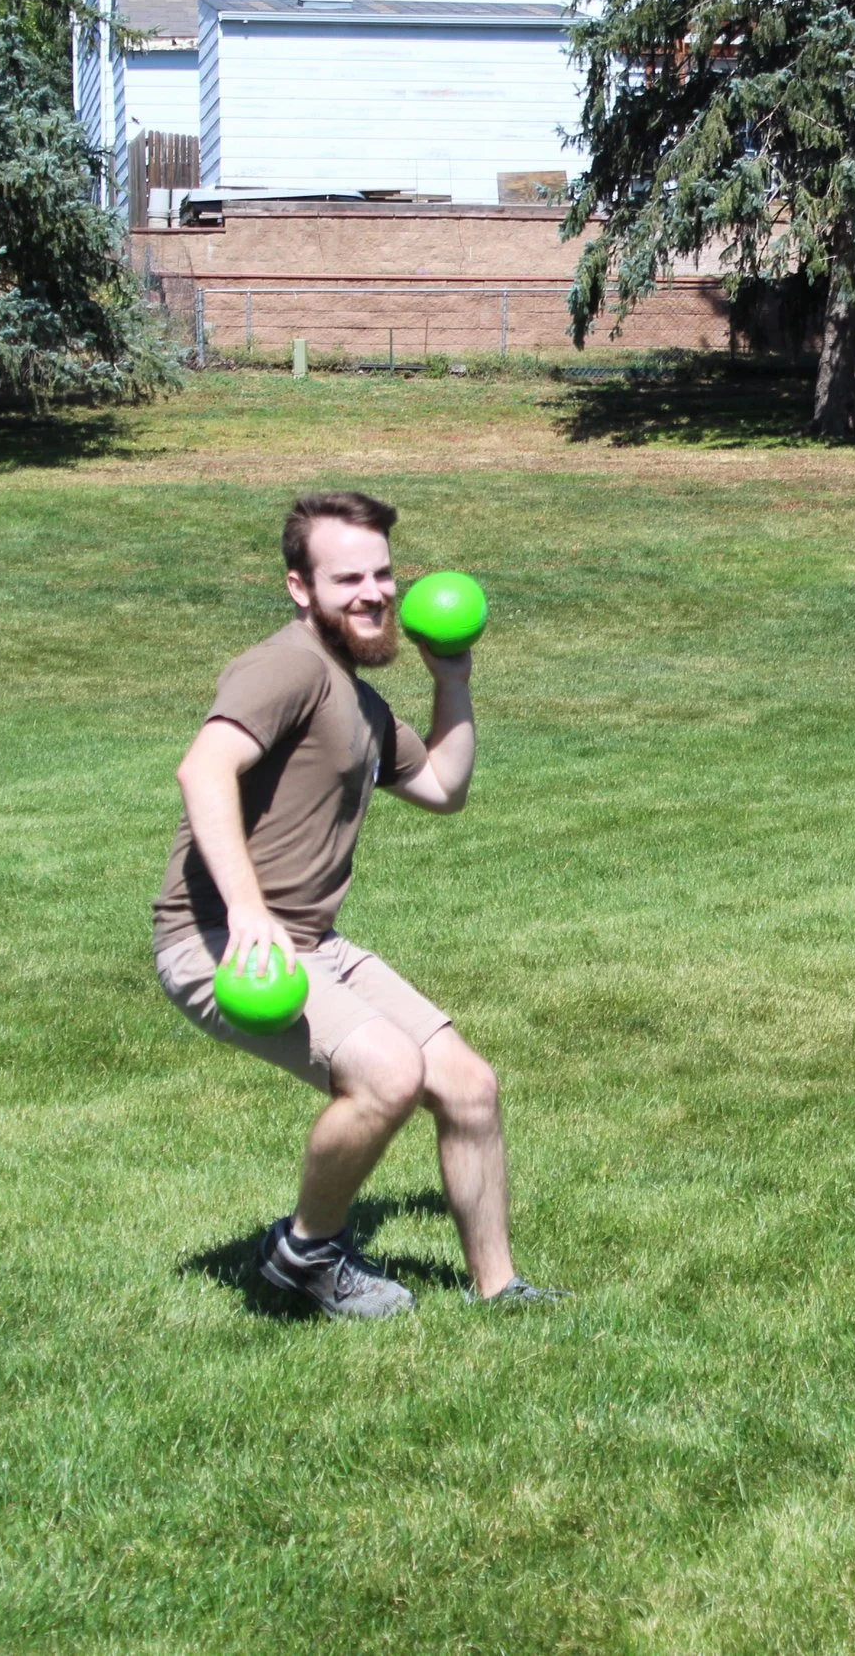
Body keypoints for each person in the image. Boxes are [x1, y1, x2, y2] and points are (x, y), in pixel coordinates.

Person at [153, 491, 561, 1319]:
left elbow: (444, 787)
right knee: (387, 1072)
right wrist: (249, 911)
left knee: (469, 1086)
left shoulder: (357, 700)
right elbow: (204, 768)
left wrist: (453, 676)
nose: (375, 592)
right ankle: (302, 1255)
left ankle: (501, 1290)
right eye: (349, 578)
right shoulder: (288, 666)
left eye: (383, 574)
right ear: (300, 588)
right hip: (222, 939)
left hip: (310, 940)